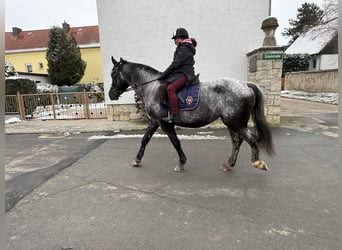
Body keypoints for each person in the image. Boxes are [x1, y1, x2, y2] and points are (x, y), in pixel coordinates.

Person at [158, 27, 197, 122]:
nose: (175, 41)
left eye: (176, 38)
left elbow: (175, 64)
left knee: (170, 89)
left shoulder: (184, 48)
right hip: (180, 73)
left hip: (185, 74)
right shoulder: (183, 47)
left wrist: (164, 74)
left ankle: (175, 114)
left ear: (181, 38)